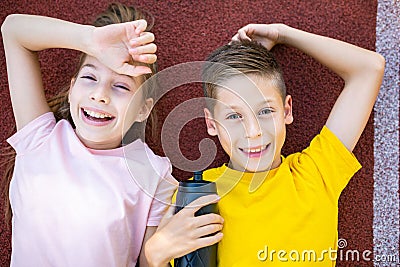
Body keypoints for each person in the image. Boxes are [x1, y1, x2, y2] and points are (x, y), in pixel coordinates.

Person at [1, 3, 223, 266]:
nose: (100, 95)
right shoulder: (39, 138)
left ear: (143, 108)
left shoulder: (152, 172)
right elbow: (13, 30)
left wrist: (160, 250)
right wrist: (90, 40)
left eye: (120, 86)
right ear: (72, 89)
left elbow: (148, 262)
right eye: (90, 78)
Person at [197, 24, 385, 266]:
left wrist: (282, 34)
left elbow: (369, 68)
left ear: (286, 110)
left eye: (265, 111)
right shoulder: (199, 195)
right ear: (212, 124)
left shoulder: (316, 173)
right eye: (234, 117)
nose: (253, 132)